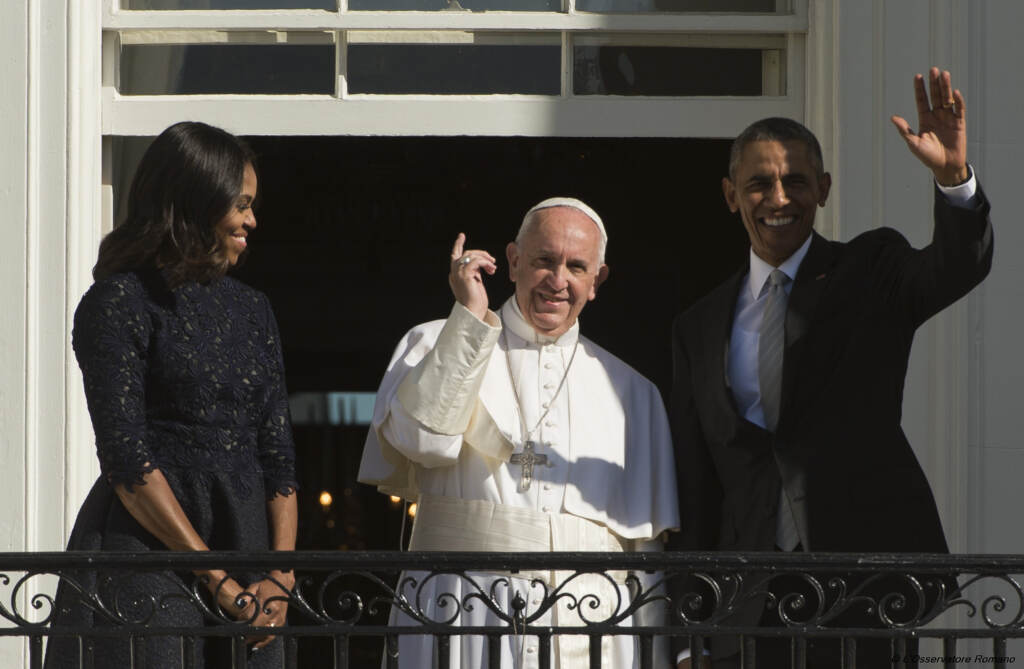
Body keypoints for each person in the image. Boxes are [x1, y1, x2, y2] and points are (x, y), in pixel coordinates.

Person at [668, 67, 993, 668]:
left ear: (824, 187)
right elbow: (700, 481)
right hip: (746, 602)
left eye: (796, 181)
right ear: (731, 195)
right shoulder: (699, 325)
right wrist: (691, 623)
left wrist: (954, 183)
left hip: (862, 589)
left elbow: (955, 267)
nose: (779, 198)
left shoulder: (871, 270)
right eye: (759, 183)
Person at [358, 197, 679, 668]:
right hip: (460, 611)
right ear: (512, 261)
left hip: (590, 628)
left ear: (597, 282)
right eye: (543, 261)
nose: (558, 280)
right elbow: (421, 443)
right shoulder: (432, 341)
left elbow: (647, 564)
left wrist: (660, 658)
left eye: (576, 267)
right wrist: (468, 320)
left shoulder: (634, 393)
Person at [45, 121, 299, 668]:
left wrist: (280, 576)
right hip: (148, 554)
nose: (253, 220)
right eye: (242, 204)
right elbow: (127, 461)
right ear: (196, 201)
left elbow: (278, 458)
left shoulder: (253, 310)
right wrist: (215, 579)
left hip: (248, 546)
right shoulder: (117, 302)